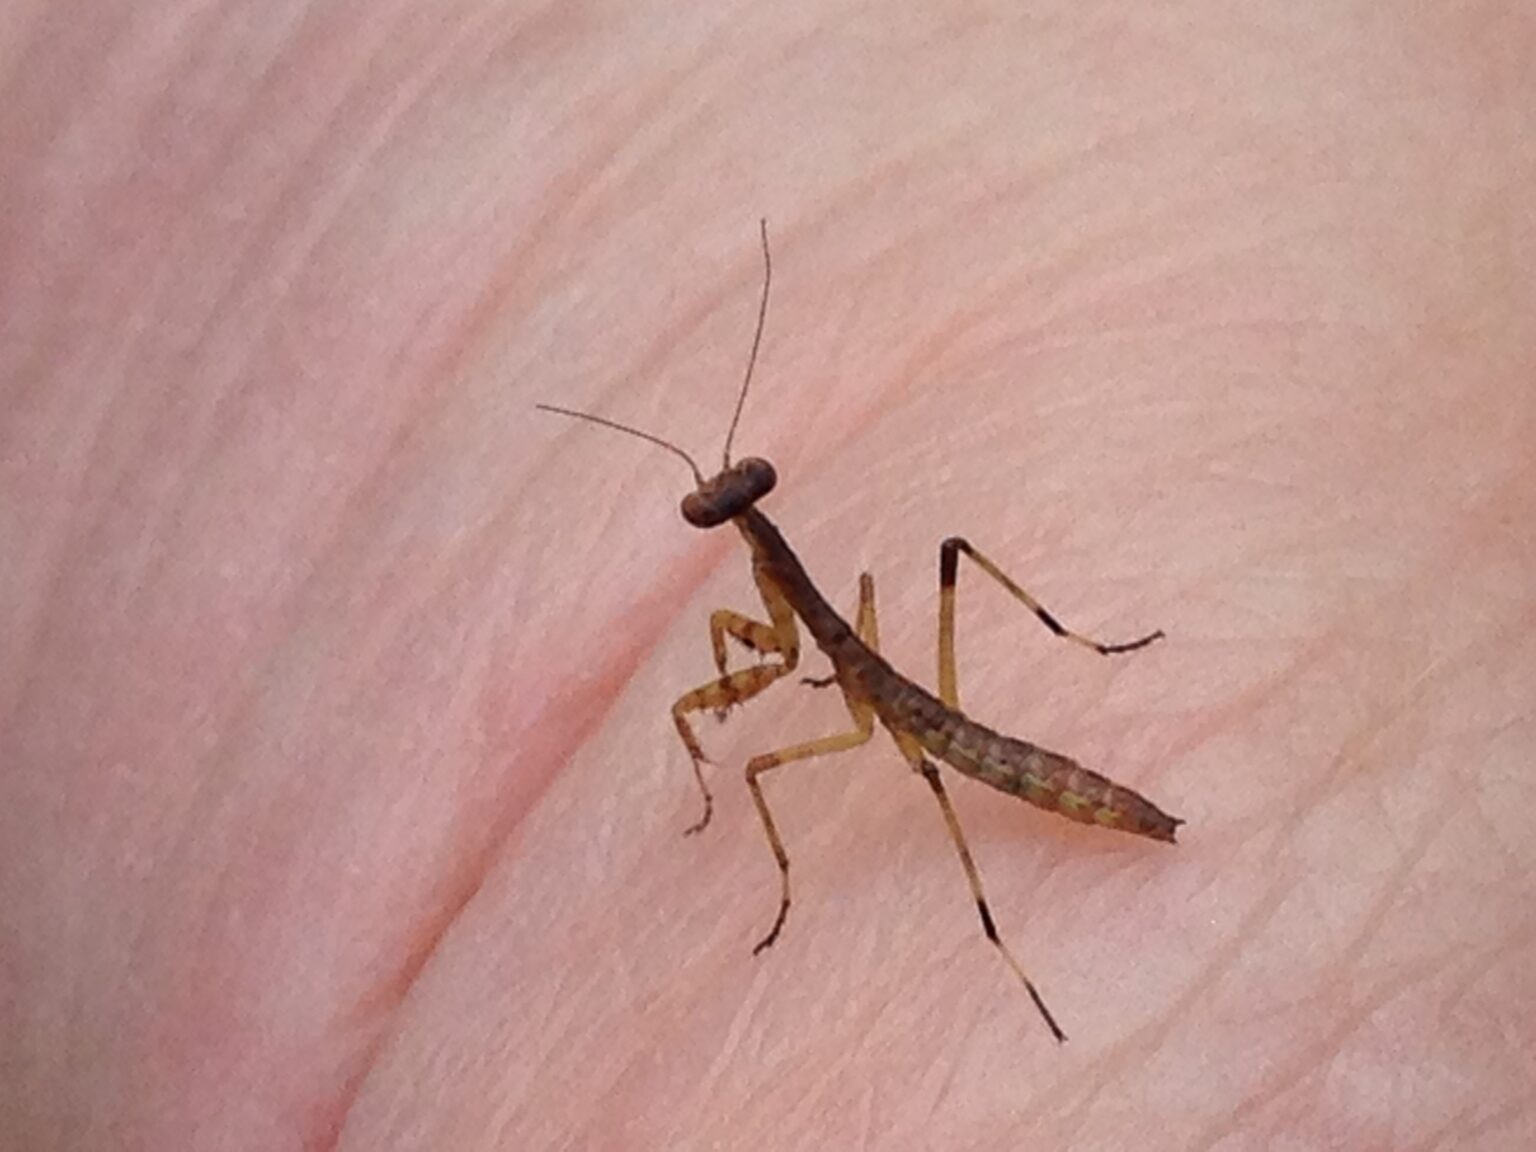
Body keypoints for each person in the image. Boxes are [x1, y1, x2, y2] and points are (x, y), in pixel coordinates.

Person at [3, 6, 1532, 1147]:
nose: (724, 504)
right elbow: (797, 652)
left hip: (963, 741)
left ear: (737, 513)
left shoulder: (791, 625)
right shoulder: (787, 588)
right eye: (717, 501)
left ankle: (1010, 938)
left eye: (724, 496)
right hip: (914, 700)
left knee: (889, 771)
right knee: (878, 666)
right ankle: (1062, 703)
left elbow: (800, 687)